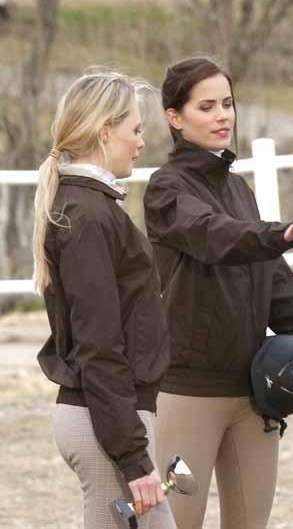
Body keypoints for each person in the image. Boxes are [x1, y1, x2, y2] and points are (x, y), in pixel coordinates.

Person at [143, 57, 293, 529]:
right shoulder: (164, 191)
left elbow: (275, 285)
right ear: (174, 117)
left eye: (227, 104)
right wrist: (281, 234)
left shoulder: (239, 189)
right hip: (187, 396)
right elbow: (214, 236)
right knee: (177, 524)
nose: (222, 116)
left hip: (256, 397)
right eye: (206, 106)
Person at [33, 72, 176, 528]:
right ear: (104, 131)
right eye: (135, 129)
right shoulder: (88, 216)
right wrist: (134, 457)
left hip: (111, 418)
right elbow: (99, 345)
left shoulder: (93, 208)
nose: (141, 141)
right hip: (106, 424)